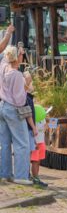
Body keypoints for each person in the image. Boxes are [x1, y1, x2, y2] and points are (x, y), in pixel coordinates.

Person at [0, 45, 31, 184]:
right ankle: (21, 177)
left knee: (5, 143)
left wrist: (17, 52)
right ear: (17, 57)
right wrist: (27, 84)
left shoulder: (2, 67)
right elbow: (20, 100)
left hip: (2, 106)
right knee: (22, 143)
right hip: (13, 108)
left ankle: (5, 174)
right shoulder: (17, 75)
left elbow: (5, 59)